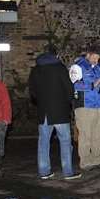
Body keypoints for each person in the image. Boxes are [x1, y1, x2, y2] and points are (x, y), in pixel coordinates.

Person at [29, 48, 80, 180]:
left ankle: (44, 171)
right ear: (56, 55)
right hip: (60, 111)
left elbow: (32, 92)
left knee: (43, 142)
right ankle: (67, 172)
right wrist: (69, 101)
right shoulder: (60, 68)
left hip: (43, 113)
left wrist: (41, 101)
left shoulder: (35, 70)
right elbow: (69, 89)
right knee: (65, 141)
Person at [70, 47, 100, 170]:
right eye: (94, 57)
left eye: (98, 58)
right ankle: (85, 162)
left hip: (98, 105)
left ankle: (97, 159)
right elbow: (74, 85)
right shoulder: (77, 67)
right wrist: (93, 84)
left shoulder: (98, 68)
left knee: (99, 134)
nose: (96, 60)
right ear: (88, 55)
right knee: (85, 135)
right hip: (84, 106)